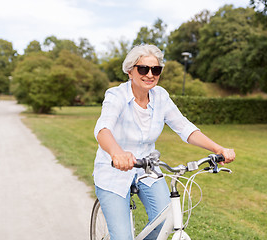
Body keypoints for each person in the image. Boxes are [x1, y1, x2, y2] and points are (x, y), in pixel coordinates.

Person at [93, 44, 235, 240]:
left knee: (164, 225)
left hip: (148, 169)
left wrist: (218, 148)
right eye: (143, 69)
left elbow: (184, 128)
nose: (150, 74)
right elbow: (103, 129)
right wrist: (117, 153)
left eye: (156, 69)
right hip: (114, 171)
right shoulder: (116, 95)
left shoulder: (161, 97)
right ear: (130, 72)